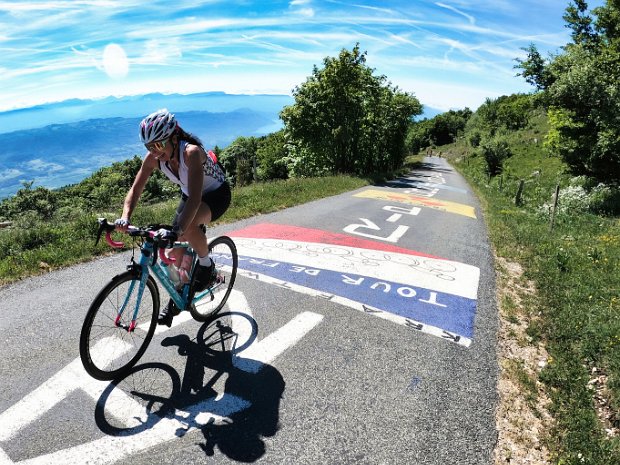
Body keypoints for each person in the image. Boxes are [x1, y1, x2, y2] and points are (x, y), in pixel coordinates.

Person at [115, 109, 231, 327]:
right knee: (171, 254)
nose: (154, 152)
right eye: (149, 147)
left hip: (215, 195)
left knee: (184, 230)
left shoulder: (192, 153)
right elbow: (136, 190)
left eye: (158, 145)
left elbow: (196, 199)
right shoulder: (153, 159)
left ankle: (206, 265)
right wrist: (125, 217)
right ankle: (178, 299)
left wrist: (177, 231)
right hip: (190, 194)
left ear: (174, 137)